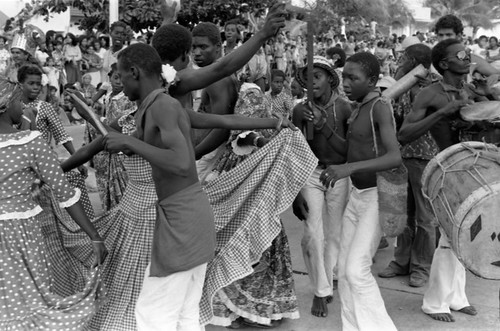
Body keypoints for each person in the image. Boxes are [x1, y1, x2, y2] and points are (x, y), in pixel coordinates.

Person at [398, 39, 497, 323]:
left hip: (472, 171)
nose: (468, 58)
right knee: (447, 240)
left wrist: (488, 94)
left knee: (464, 236)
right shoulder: (429, 94)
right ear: (444, 64)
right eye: (461, 55)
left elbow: (493, 118)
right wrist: (444, 111)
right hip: (444, 172)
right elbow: (404, 134)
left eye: (468, 53)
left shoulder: (470, 89)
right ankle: (434, 302)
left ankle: (457, 297)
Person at [0, 78, 107, 330]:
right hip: (20, 235)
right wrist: (94, 237)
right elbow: (65, 193)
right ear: (6, 104)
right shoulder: (29, 141)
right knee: (29, 301)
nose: (25, 107)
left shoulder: (28, 138)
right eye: (20, 101)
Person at [320, 52, 401, 330]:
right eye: (344, 77)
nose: (346, 83)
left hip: (377, 196)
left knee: (356, 270)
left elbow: (394, 157)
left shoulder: (379, 106)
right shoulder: (357, 108)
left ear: (373, 80)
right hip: (357, 196)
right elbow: (349, 150)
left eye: (354, 78)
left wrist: (348, 169)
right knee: (343, 271)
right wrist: (325, 130)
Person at [291, 56, 352, 318]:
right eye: (308, 77)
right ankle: (320, 290)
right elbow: (291, 150)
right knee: (313, 234)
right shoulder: (298, 109)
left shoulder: (345, 108)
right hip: (310, 174)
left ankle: (330, 274)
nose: (311, 82)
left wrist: (322, 125)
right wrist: (294, 191)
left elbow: (348, 150)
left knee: (335, 234)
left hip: (338, 174)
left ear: (329, 78)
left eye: (317, 76)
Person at [378, 44, 439, 288]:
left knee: (425, 218)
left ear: (413, 60)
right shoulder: (404, 83)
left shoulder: (432, 84)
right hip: (404, 156)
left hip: (426, 158)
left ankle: (421, 267)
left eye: (403, 57)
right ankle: (401, 260)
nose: (398, 60)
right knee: (404, 213)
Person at [83, 63, 136, 212]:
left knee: (122, 183)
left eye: (121, 79)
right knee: (106, 180)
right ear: (110, 78)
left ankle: (122, 212)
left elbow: (124, 123)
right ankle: (111, 211)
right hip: (107, 142)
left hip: (120, 144)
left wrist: (99, 121)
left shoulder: (128, 98)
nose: (119, 82)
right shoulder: (109, 94)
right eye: (115, 78)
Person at [191, 22, 239, 182]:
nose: (197, 53)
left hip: (208, 152)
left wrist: (196, 153)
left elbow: (223, 126)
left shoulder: (216, 79)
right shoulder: (213, 73)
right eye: (194, 47)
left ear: (218, 47)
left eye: (203, 47)